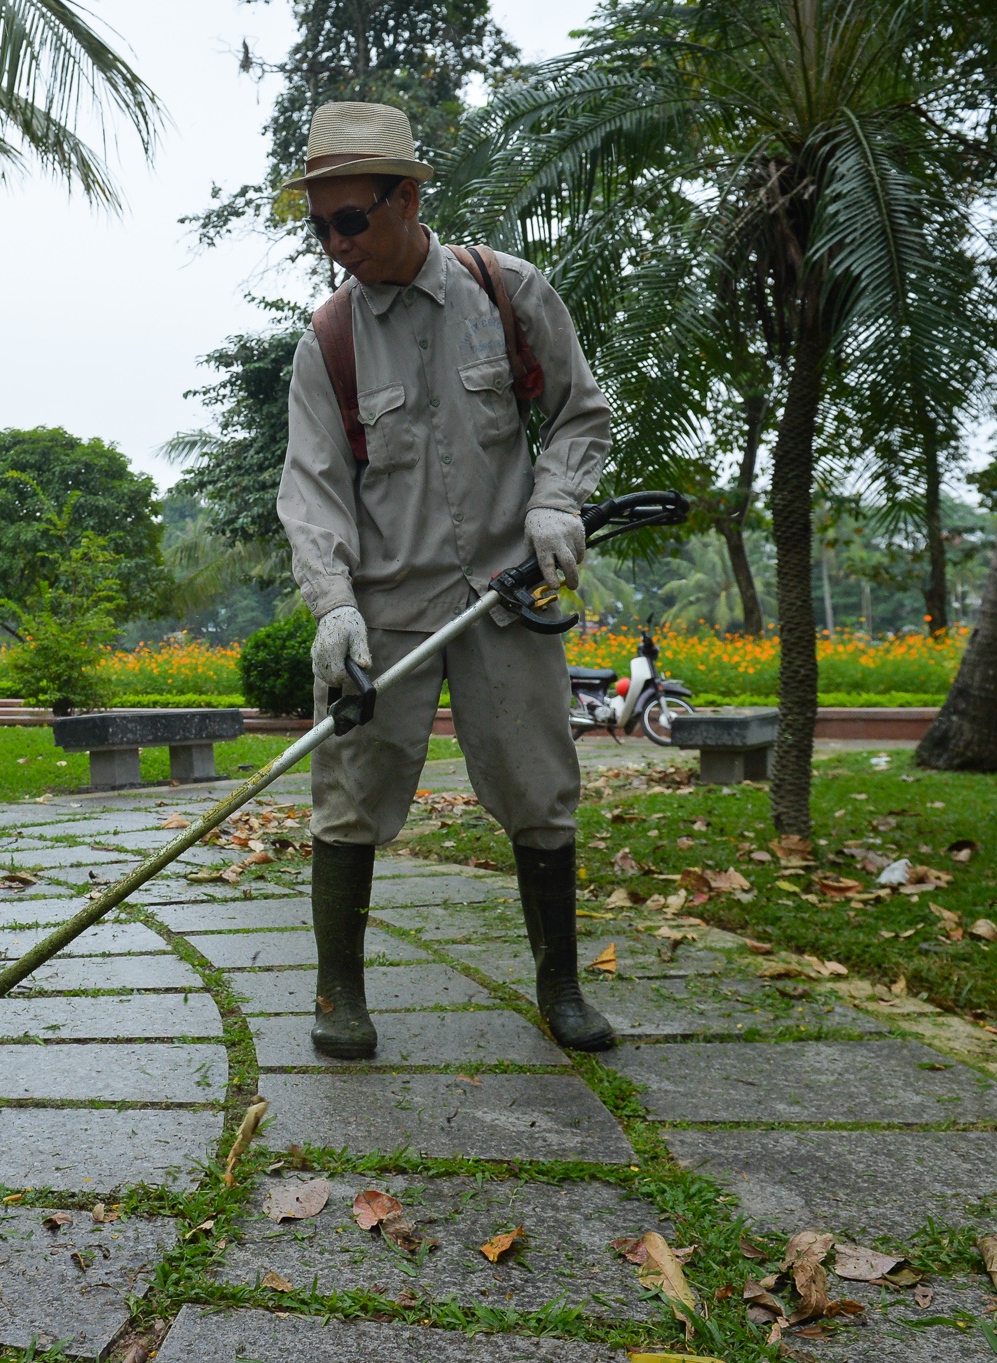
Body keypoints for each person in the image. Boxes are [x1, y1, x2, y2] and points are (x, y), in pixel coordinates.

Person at [275, 101, 617, 1058]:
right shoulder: (330, 341)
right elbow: (312, 489)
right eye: (321, 227)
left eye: (352, 219)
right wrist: (332, 606)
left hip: (508, 595)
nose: (337, 245)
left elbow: (580, 413)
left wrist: (556, 500)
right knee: (349, 794)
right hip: (384, 608)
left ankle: (560, 985)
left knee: (540, 786)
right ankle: (339, 993)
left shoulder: (507, 292)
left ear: (409, 200)